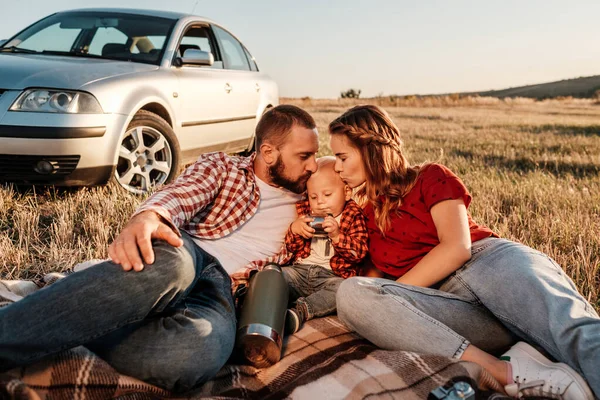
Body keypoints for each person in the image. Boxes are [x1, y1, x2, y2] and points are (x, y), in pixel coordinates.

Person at [0, 105, 319, 393]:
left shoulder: (315, 197)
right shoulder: (224, 167)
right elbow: (183, 193)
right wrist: (151, 215)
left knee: (196, 353)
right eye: (304, 156)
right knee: (175, 266)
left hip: (225, 291)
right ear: (268, 152)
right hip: (187, 252)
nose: (314, 166)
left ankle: (74, 315)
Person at [328, 105, 599, 400]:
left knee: (572, 332)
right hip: (451, 307)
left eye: (342, 157)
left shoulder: (429, 176)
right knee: (351, 294)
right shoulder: (364, 215)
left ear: (371, 150)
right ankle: (502, 371)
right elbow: (369, 287)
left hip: (489, 264)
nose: (337, 167)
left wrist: (397, 293)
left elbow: (457, 248)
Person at [281, 156, 368, 334]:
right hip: (300, 272)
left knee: (343, 290)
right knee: (276, 275)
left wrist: (337, 236)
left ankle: (302, 310)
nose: (320, 201)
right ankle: (268, 306)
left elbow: (359, 253)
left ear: (346, 192)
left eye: (327, 195)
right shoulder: (305, 212)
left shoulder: (352, 215)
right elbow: (292, 248)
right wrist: (295, 230)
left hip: (332, 276)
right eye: (313, 196)